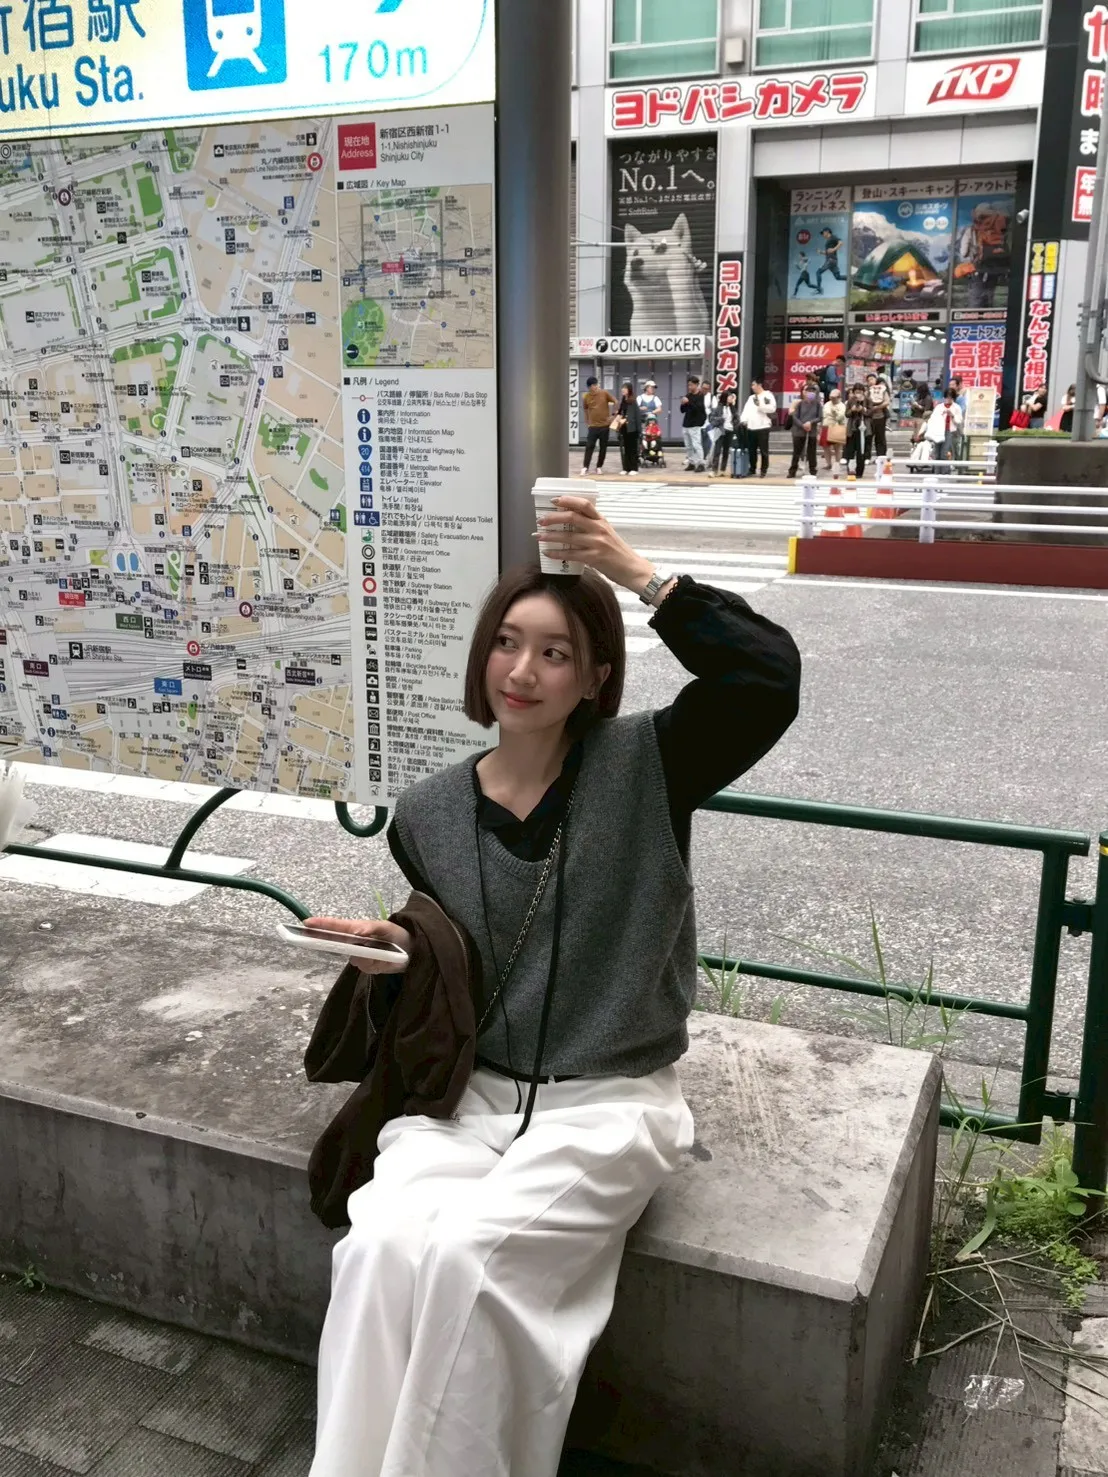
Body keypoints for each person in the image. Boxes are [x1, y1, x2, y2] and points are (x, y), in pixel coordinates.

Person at [306, 504, 802, 1477]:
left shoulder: (651, 764)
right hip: (471, 1097)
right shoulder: (428, 812)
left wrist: (632, 569)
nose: (522, 671)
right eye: (506, 643)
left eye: (555, 652)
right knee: (381, 1247)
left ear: (595, 677)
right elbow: (459, 957)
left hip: (610, 1104)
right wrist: (397, 949)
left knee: (473, 1258)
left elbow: (766, 680)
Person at [738, 378, 776, 478]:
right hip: (751, 427)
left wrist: (760, 406)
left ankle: (763, 469)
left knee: (763, 450)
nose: (752, 387)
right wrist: (743, 420)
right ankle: (752, 468)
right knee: (752, 450)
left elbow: (772, 408)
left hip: (763, 426)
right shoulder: (751, 398)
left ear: (759, 385)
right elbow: (746, 410)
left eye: (754, 385)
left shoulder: (768, 395)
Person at [580, 377, 617, 476]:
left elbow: (615, 401)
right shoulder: (586, 397)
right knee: (589, 446)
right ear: (589, 387)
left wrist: (613, 415)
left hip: (604, 426)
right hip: (593, 426)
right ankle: (585, 467)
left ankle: (599, 467)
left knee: (603, 447)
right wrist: (587, 420)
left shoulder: (604, 393)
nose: (596, 387)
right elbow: (585, 409)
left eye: (596, 385)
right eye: (594, 385)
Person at [786, 378, 822, 477]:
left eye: (813, 392)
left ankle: (812, 470)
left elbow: (820, 417)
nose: (811, 393)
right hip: (799, 431)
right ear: (804, 393)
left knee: (812, 452)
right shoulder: (800, 404)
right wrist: (803, 425)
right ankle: (792, 471)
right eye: (809, 391)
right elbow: (795, 417)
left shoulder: (818, 405)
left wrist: (810, 423)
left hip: (812, 431)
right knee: (797, 452)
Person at [924, 387, 963, 461]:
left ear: (953, 398)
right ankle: (937, 468)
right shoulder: (939, 407)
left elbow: (959, 421)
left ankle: (944, 468)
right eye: (947, 397)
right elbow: (933, 418)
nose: (948, 399)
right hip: (938, 431)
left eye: (951, 397)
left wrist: (952, 415)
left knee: (944, 453)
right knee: (936, 452)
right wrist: (941, 414)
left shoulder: (957, 407)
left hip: (949, 431)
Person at [707, 390, 737, 477]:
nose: (731, 398)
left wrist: (735, 423)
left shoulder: (732, 408)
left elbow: (736, 418)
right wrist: (721, 419)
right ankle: (714, 470)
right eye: (729, 397)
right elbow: (712, 419)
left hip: (730, 431)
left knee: (726, 451)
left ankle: (722, 469)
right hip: (721, 431)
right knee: (717, 450)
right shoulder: (718, 407)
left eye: (731, 397)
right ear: (725, 397)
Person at [680, 376, 707, 471]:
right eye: (688, 385)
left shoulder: (700, 396)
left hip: (695, 424)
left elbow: (698, 409)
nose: (689, 387)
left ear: (696, 385)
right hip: (686, 423)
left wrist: (688, 402)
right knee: (688, 446)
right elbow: (682, 410)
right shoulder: (688, 395)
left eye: (691, 385)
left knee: (696, 444)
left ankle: (701, 463)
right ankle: (691, 462)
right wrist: (683, 404)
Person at [844, 384, 870, 479]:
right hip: (852, 428)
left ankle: (859, 472)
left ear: (863, 391)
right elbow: (846, 414)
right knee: (850, 451)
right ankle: (850, 470)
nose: (858, 393)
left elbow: (870, 413)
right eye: (856, 391)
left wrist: (862, 409)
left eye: (860, 391)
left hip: (863, 429)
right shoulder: (850, 401)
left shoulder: (868, 400)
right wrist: (852, 410)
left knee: (861, 451)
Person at [615, 380, 642, 475]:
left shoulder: (633, 401)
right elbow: (620, 412)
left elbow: (637, 415)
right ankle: (626, 468)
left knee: (632, 449)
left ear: (629, 390)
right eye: (622, 388)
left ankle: (634, 468)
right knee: (625, 449)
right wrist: (618, 417)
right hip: (624, 428)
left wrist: (639, 430)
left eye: (625, 388)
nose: (623, 389)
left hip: (632, 428)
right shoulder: (623, 400)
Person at [821, 387, 847, 475]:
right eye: (831, 397)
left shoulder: (841, 405)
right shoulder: (827, 404)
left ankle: (837, 463)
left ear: (838, 397)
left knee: (837, 448)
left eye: (834, 397)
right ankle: (828, 463)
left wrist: (835, 412)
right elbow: (823, 415)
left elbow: (840, 417)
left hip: (837, 427)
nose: (832, 399)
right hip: (826, 426)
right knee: (826, 447)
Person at [865, 372, 891, 462]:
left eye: (872, 379)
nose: (870, 381)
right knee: (868, 437)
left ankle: (881, 457)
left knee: (880, 438)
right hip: (869, 418)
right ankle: (866, 457)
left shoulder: (883, 390)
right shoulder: (867, 391)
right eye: (868, 380)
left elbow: (887, 401)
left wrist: (878, 407)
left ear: (876, 380)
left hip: (880, 417)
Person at [816, 226, 845, 292]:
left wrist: (834, 249)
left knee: (818, 272)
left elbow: (841, 242)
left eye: (823, 233)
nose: (822, 235)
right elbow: (828, 252)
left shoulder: (833, 237)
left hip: (830, 260)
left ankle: (819, 289)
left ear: (827, 232)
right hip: (833, 261)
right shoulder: (828, 241)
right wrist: (820, 252)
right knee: (838, 277)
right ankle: (850, 279)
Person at [699, 380, 714, 462]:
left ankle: (705, 457)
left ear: (709, 389)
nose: (704, 390)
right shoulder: (697, 396)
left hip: (708, 423)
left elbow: (715, 410)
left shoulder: (712, 397)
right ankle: (699, 459)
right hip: (698, 423)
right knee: (698, 443)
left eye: (706, 389)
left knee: (708, 443)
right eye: (703, 388)